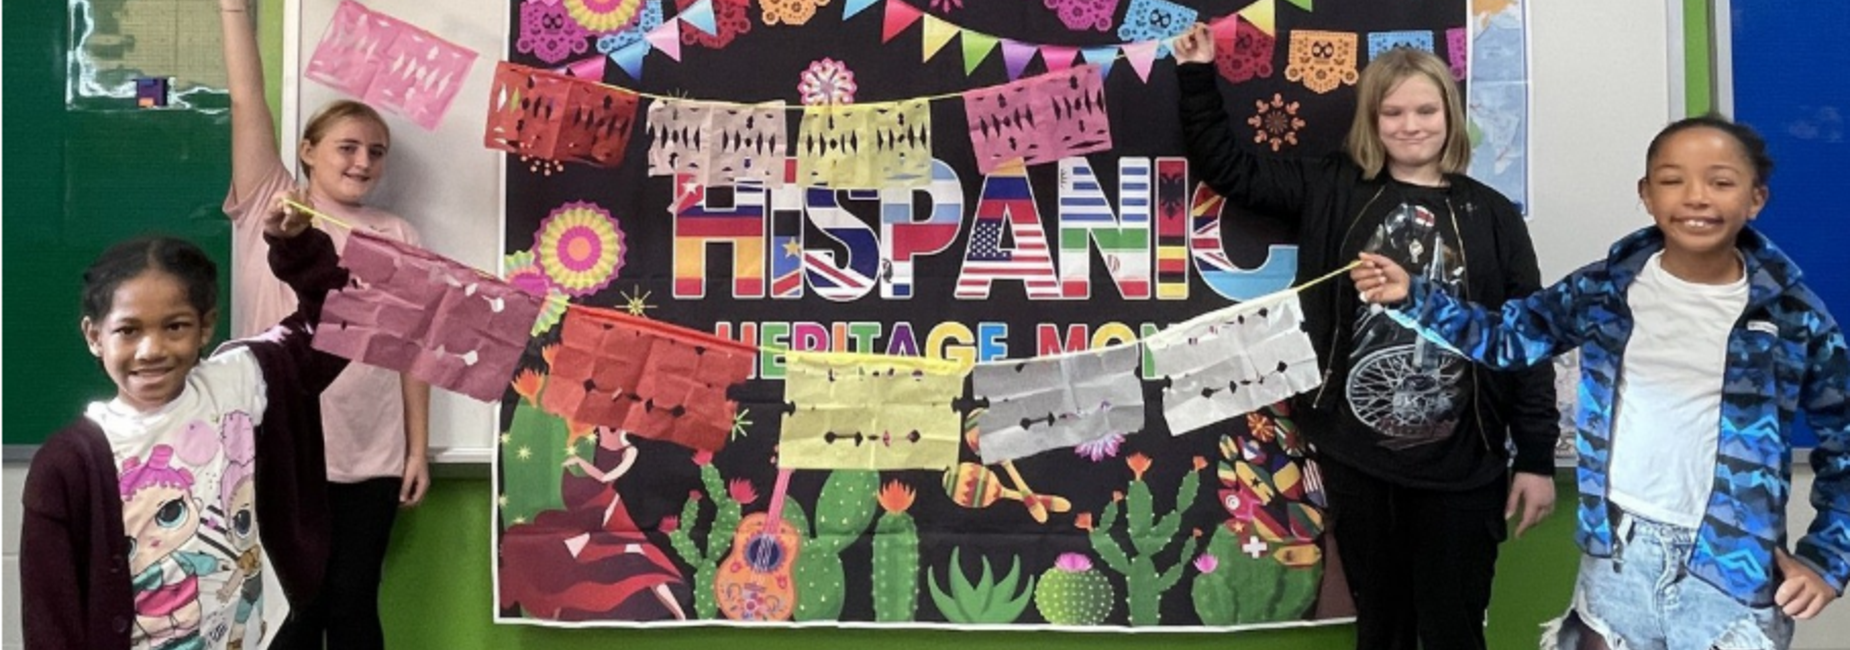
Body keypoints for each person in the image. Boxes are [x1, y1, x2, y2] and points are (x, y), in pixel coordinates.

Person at [1354, 115, 1849, 649]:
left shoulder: (1793, 316)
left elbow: (1844, 439)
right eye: (1672, 179)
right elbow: (1507, 340)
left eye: (1721, 181)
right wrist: (1413, 296)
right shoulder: (1606, 288)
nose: (1696, 197)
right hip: (1617, 561)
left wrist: (1828, 557)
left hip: (1730, 575)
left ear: (1755, 199)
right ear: (1646, 194)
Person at [1173, 24, 1559, 650]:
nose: (1411, 125)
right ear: (1372, 122)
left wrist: (1537, 457)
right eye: (1393, 112)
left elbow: (1526, 338)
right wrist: (1196, 75)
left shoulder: (1492, 215)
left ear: (1451, 115)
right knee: (1382, 629)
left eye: (1426, 110)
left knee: (1455, 630)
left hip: (1466, 467)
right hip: (1359, 461)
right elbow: (1230, 170)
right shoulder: (1334, 187)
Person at [20, 202, 348, 650]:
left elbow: (343, 322)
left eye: (175, 326)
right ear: (95, 336)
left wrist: (298, 247)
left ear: (206, 326)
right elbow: (50, 620)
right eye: (128, 331)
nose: (151, 349)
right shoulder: (67, 464)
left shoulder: (242, 382)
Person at [217, 1, 430, 646]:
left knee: (355, 606)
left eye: (377, 152)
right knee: (295, 611)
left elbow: (411, 350)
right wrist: (234, 9)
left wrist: (417, 449)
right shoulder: (272, 206)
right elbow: (247, 97)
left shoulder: (399, 235)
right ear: (306, 151)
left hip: (372, 454)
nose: (363, 161)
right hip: (281, 449)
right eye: (347, 146)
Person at [498, 426, 689, 621]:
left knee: (644, 557)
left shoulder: (631, 451)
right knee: (567, 553)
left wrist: (580, 462)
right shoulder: (598, 431)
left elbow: (606, 477)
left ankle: (680, 615)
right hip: (587, 503)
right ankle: (554, 612)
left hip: (607, 507)